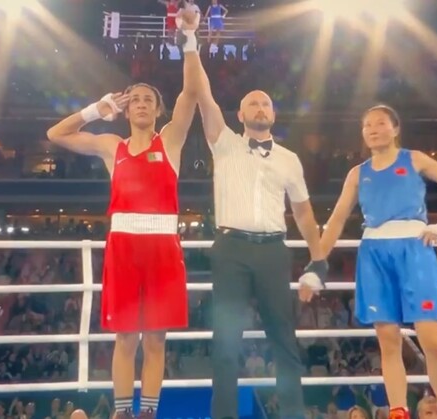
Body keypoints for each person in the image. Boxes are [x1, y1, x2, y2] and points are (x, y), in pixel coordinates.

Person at [46, 10, 199, 418]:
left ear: (158, 110)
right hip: (124, 248)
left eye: (149, 99)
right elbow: (55, 135)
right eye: (135, 100)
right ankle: (121, 411)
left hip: (164, 247)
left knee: (155, 339)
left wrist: (189, 38)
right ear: (127, 109)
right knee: (125, 337)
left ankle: (147, 411)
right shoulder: (110, 146)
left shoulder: (172, 141)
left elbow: (191, 94)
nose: (142, 104)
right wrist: (97, 109)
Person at [179, 22, 328, 419]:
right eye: (253, 104)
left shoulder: (289, 159)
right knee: (226, 343)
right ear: (240, 113)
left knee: (284, 339)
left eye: (266, 104)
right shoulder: (224, 142)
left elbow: (303, 212)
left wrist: (319, 259)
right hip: (231, 251)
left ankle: (293, 415)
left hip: (274, 252)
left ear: (274, 114)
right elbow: (201, 92)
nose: (261, 108)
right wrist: (190, 40)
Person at [306, 105, 437, 419]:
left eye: (380, 123)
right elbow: (337, 220)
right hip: (374, 253)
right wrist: (317, 264)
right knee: (387, 342)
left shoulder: (414, 159)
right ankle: (398, 412)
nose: (372, 129)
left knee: (431, 341)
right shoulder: (357, 173)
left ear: (395, 128)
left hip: (414, 250)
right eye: (366, 124)